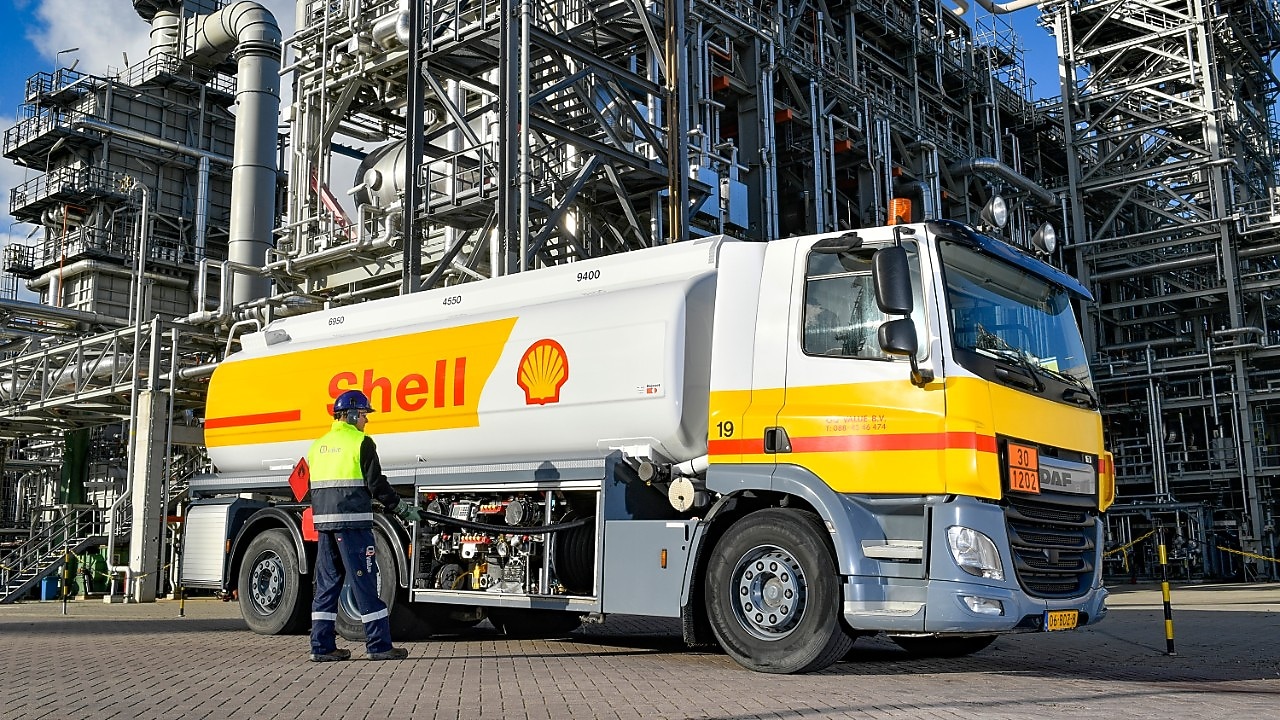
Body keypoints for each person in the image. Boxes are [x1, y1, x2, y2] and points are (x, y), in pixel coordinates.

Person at [305, 389, 422, 662]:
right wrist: (401, 508)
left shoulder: (317, 445)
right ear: (353, 414)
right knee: (366, 584)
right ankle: (379, 646)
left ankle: (321, 648)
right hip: (353, 525)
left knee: (326, 586)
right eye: (365, 415)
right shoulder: (361, 443)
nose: (366, 421)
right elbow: (376, 484)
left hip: (325, 525)